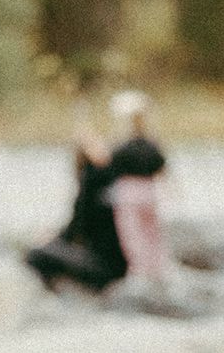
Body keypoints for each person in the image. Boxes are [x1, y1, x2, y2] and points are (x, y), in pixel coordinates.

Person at [26, 90, 167, 294]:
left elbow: (76, 228)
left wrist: (49, 239)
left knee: (36, 254)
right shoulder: (117, 177)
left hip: (106, 269)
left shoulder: (92, 181)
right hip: (120, 265)